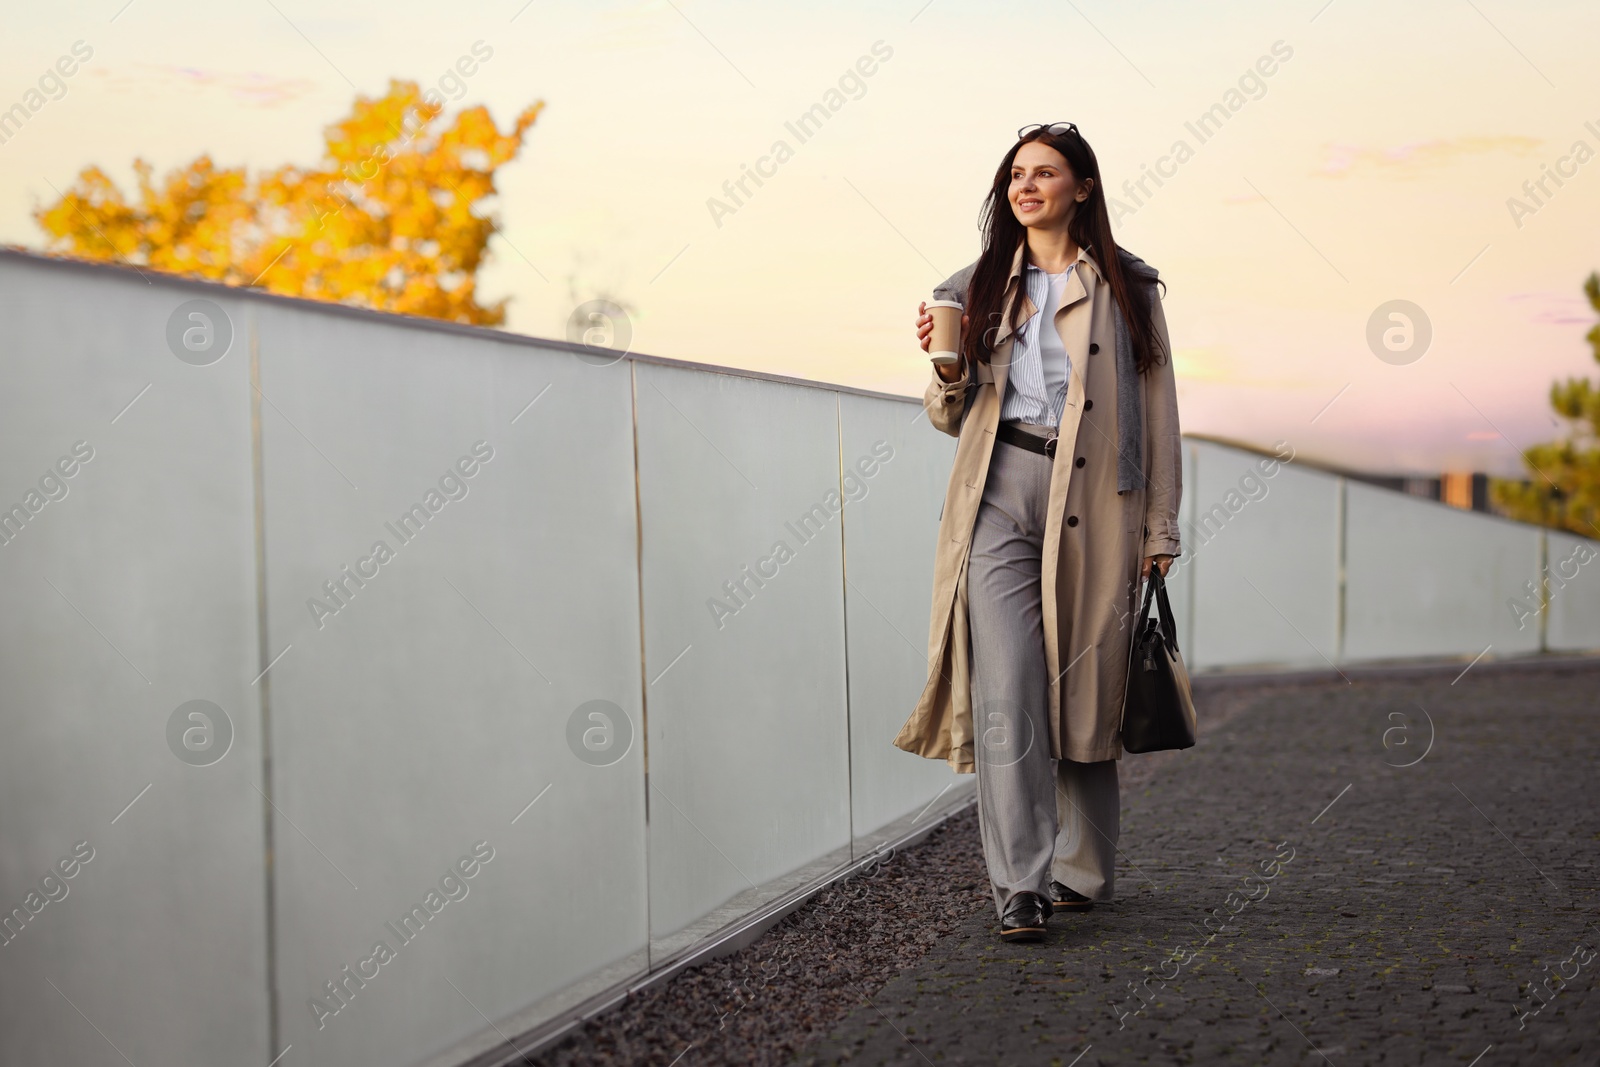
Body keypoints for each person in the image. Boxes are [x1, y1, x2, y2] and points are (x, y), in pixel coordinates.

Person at [892, 123, 1182, 943]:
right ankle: (1020, 883)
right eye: (1016, 174)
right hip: (1000, 488)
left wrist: (1161, 525)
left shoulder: (1130, 285)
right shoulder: (973, 283)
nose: (1026, 185)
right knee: (1011, 685)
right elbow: (955, 414)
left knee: (1087, 686)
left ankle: (1083, 870)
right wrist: (946, 369)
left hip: (1100, 496)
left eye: (1044, 173)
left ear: (1081, 188)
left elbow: (1158, 409)